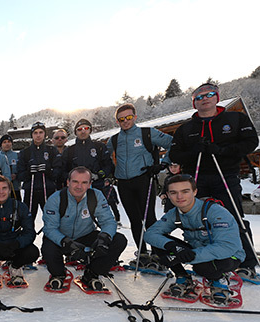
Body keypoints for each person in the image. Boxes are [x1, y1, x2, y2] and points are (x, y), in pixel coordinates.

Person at [169, 83, 259, 278]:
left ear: (217, 97)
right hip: (196, 179)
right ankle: (209, 258)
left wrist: (221, 150)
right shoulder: (187, 128)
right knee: (199, 219)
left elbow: (251, 142)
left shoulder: (234, 119)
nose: (205, 99)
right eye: (199, 97)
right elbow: (175, 153)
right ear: (194, 103)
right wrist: (193, 152)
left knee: (232, 217)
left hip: (225, 175)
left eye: (209, 94)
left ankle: (247, 262)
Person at [144, 174, 244, 305]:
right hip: (197, 251)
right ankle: (183, 278)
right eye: (174, 192)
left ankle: (219, 281)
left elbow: (227, 246)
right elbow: (150, 234)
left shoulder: (215, 212)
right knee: (161, 244)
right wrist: (173, 247)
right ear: (168, 195)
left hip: (229, 256)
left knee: (202, 266)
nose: (179, 197)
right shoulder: (174, 213)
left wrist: (187, 257)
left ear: (195, 192)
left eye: (185, 191)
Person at [42, 167, 127, 291]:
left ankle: (91, 274)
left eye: (84, 182)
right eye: (75, 181)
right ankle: (58, 274)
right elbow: (50, 228)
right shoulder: (56, 198)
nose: (79, 186)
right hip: (62, 238)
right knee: (48, 247)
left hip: (85, 234)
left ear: (89, 184)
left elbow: (108, 221)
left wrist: (104, 238)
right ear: (68, 182)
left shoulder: (96, 196)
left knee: (119, 240)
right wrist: (67, 242)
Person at [106, 103, 172, 261]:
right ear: (117, 122)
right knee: (134, 219)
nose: (125, 121)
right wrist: (110, 171)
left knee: (148, 217)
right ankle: (142, 252)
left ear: (135, 117)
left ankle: (157, 253)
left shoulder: (147, 133)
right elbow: (104, 157)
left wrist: (163, 163)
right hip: (123, 183)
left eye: (128, 117)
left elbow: (173, 143)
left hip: (144, 179)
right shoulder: (114, 140)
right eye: (121, 119)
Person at [17, 122, 62, 223]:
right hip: (31, 191)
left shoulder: (52, 151)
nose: (38, 135)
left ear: (44, 134)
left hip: (48, 190)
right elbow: (20, 175)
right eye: (35, 133)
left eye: (41, 132)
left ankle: (50, 238)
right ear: (32, 135)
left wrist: (48, 171)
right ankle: (28, 238)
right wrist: (28, 173)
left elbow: (58, 171)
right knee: (27, 220)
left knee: (51, 220)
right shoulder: (25, 152)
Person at [0, 134, 21, 200]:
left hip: (15, 188)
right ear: (1, 144)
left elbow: (21, 169)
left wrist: (16, 175)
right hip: (2, 190)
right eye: (4, 142)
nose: (7, 144)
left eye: (9, 142)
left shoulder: (17, 155)